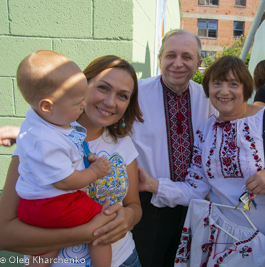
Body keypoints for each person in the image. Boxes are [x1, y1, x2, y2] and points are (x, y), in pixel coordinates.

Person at [138, 55, 265, 266]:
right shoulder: (205, 131)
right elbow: (195, 190)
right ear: (208, 89)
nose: (224, 91)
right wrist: (153, 185)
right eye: (217, 83)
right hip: (226, 244)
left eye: (233, 84)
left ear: (245, 89)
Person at [0, 55, 143, 267]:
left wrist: (128, 218)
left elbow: (134, 205)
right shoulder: (38, 143)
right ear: (82, 85)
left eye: (122, 96)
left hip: (123, 259)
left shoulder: (123, 144)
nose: (110, 102)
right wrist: (84, 233)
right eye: (103, 88)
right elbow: (5, 234)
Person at [14, 50, 113, 267]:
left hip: (31, 205)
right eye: (77, 103)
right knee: (103, 225)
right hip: (53, 205)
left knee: (49, 246)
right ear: (47, 106)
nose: (82, 106)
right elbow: (65, 181)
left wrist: (86, 156)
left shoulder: (40, 121)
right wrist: (95, 172)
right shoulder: (46, 141)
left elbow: (69, 143)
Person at [131, 29, 217, 267]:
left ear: (198, 63)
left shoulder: (208, 99)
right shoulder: (135, 94)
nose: (178, 63)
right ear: (160, 59)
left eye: (187, 57)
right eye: (171, 55)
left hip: (194, 207)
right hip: (147, 205)